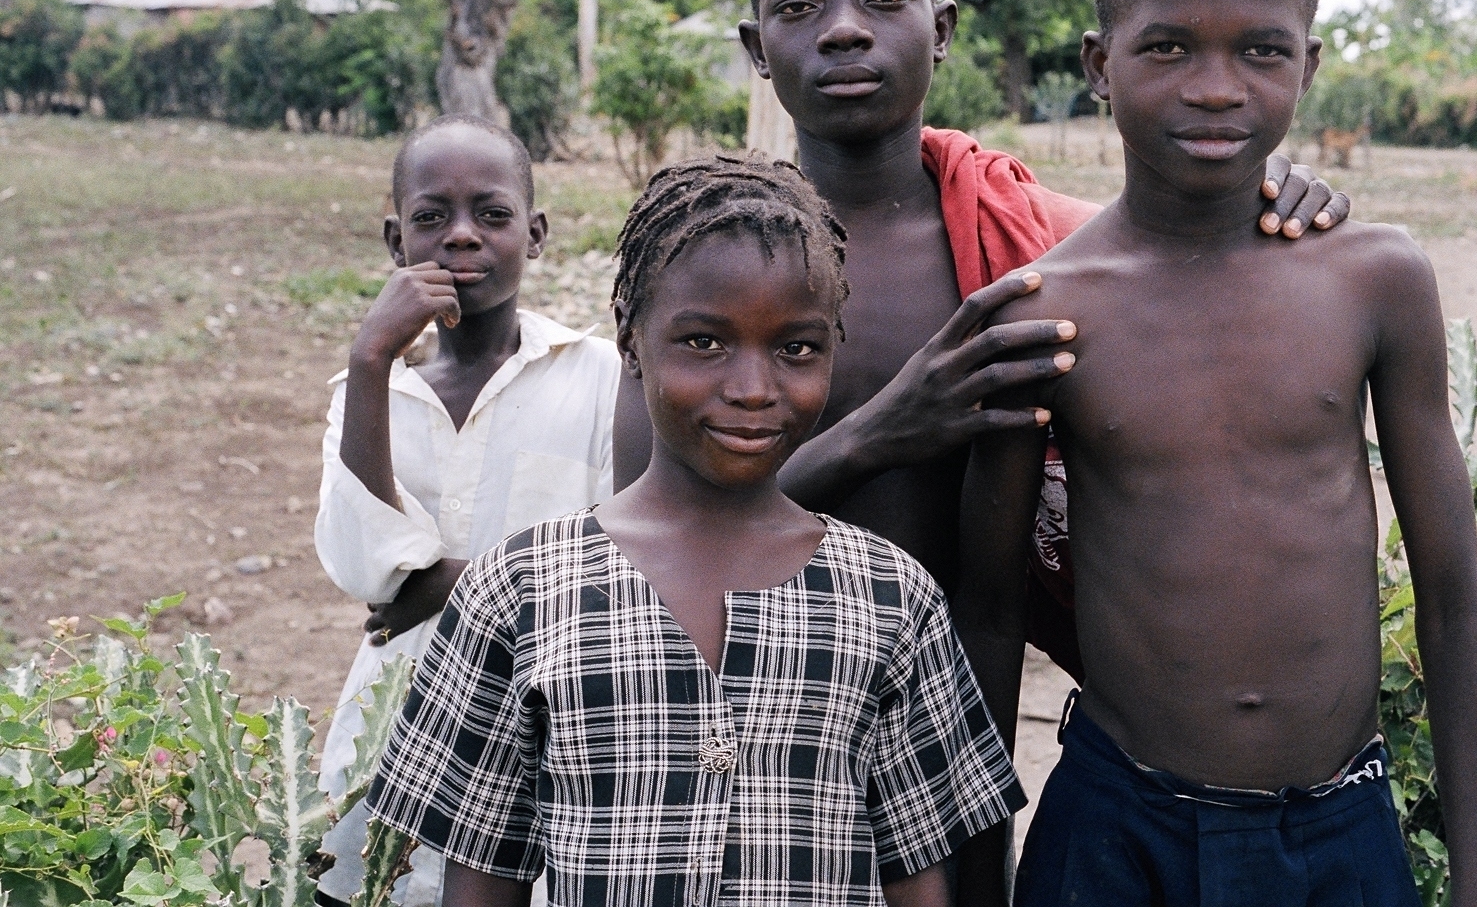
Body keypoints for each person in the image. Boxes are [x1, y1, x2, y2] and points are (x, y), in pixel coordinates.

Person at [611, 0, 1353, 896]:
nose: (840, 32)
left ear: (942, 27)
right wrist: (886, 428)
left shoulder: (1029, 245)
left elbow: (1180, 247)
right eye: (798, 9)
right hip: (746, 716)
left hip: (949, 728)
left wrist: (1272, 192)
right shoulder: (703, 262)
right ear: (754, 44)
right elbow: (646, 530)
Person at [954, 0, 1477, 904]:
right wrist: (979, 873)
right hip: (1117, 828)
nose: (1214, 87)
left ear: (1308, 64)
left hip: (1338, 831)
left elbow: (1452, 598)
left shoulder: (1374, 279)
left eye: (1259, 49)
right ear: (1096, 66)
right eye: (1165, 47)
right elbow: (986, 612)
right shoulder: (1045, 313)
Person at [366, 157, 1027, 907]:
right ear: (630, 341)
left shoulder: (892, 599)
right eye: (704, 343)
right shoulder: (517, 592)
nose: (752, 388)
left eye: (796, 348)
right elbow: (482, 882)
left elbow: (918, 882)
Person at [312, 115, 619, 907]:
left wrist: (450, 581)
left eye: (491, 214)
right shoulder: (365, 396)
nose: (460, 237)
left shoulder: (599, 380)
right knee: (373, 883)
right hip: (391, 729)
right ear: (394, 240)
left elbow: (629, 555)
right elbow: (367, 570)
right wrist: (370, 354)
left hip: (557, 735)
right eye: (429, 218)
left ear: (537, 233)